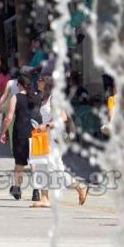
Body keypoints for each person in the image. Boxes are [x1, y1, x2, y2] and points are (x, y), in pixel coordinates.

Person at [30, 76, 88, 208]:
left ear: (46, 84)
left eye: (40, 80)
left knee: (55, 167)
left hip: (53, 137)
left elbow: (63, 117)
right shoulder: (44, 98)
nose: (37, 82)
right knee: (41, 165)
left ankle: (79, 186)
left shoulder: (54, 98)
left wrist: (47, 126)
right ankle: (44, 198)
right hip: (44, 136)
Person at [0, 74, 39, 201]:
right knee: (34, 163)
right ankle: (36, 191)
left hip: (20, 132)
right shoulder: (35, 97)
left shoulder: (15, 98)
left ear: (20, 85)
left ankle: (17, 188)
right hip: (33, 132)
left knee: (19, 162)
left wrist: (3, 132)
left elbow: (9, 117)